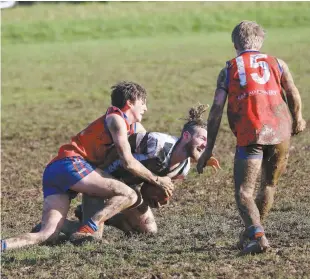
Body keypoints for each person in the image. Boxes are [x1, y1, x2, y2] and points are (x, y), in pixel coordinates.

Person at [1, 81, 174, 251]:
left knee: (47, 234)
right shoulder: (116, 119)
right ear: (130, 103)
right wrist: (158, 180)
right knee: (128, 194)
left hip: (56, 170)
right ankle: (87, 229)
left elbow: (142, 149)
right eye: (143, 103)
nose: (146, 108)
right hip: (72, 164)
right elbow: (128, 162)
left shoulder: (131, 126)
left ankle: (5, 245)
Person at [196, 21, 306, 255]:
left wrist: (209, 149)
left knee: (244, 192)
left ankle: (259, 238)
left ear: (235, 43)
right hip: (280, 129)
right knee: (268, 184)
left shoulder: (229, 69)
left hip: (251, 131)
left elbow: (216, 110)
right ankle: (252, 232)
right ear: (261, 41)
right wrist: (298, 119)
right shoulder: (278, 63)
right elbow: (292, 92)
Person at [59, 104, 220, 237]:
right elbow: (121, 145)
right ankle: (58, 226)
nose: (205, 144)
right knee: (90, 238)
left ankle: (96, 216)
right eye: (202, 138)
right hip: (102, 181)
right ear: (185, 136)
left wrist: (158, 196)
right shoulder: (157, 142)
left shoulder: (183, 169)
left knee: (148, 232)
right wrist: (101, 170)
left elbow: (150, 187)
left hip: (127, 190)